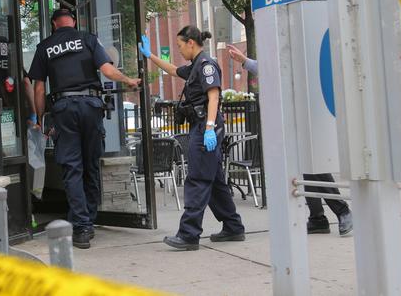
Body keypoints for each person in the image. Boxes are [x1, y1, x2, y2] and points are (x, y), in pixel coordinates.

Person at [28, 7, 141, 249]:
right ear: (73, 21)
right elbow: (107, 70)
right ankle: (88, 219)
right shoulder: (88, 39)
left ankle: (81, 226)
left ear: (54, 24)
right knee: (91, 165)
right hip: (91, 106)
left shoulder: (45, 46)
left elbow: (38, 87)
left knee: (72, 167)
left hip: (64, 109)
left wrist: (40, 118)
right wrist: (128, 80)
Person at [226, 44, 352, 237]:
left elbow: (277, 70)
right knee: (305, 168)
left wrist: (246, 61)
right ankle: (318, 218)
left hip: (308, 115)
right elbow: (273, 70)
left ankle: (342, 211)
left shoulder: (304, 49)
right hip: (293, 117)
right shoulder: (287, 48)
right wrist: (245, 61)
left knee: (315, 167)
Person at [139, 27, 245, 251]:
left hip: (206, 126)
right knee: (214, 180)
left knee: (198, 179)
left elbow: (214, 96)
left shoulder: (206, 65)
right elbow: (173, 70)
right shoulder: (195, 64)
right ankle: (233, 227)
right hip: (201, 125)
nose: (179, 50)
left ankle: (189, 234)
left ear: (190, 43)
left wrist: (209, 128)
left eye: (179, 46)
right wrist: (150, 56)